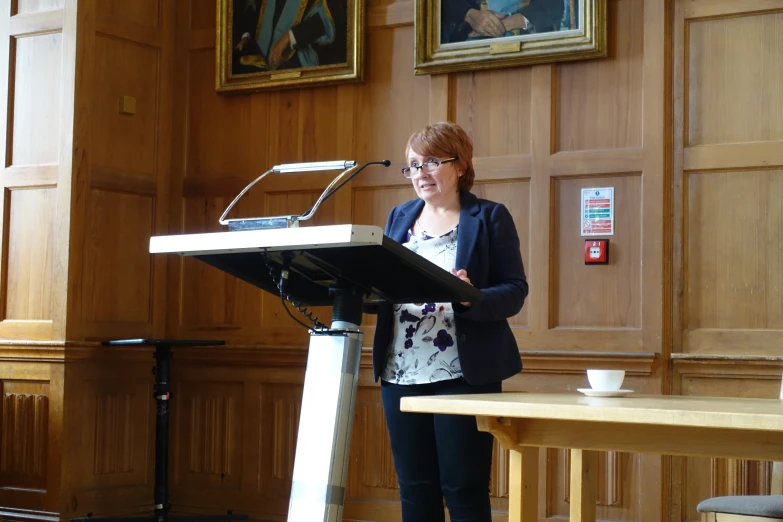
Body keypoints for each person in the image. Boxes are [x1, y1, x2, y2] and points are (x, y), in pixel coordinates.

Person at [371, 122, 529, 521]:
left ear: (460, 165)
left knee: (463, 488)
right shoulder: (399, 217)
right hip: (401, 370)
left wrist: (468, 297)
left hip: (463, 371)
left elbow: (514, 291)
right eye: (412, 166)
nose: (420, 174)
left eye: (431, 163)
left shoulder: (489, 217)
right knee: (414, 488)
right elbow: (386, 291)